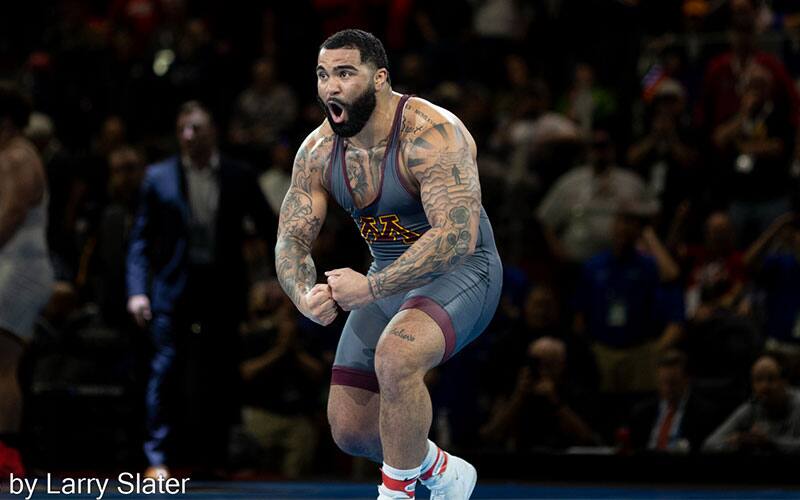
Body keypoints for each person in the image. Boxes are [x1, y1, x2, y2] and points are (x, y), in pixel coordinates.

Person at [274, 29, 502, 499]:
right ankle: (441, 470)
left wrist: (373, 290)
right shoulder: (317, 153)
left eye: (344, 73)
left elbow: (457, 237)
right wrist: (302, 295)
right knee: (350, 427)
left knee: (395, 357)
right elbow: (290, 240)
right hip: (388, 276)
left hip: (464, 271)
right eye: (322, 75)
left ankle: (396, 495)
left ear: (379, 79)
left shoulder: (432, 133)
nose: (330, 87)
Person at [126, 101, 275, 479]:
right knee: (166, 369)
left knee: (222, 371)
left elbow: (271, 227)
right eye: (182, 129)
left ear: (213, 132)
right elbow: (140, 241)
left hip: (222, 287)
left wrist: (275, 279)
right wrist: (137, 292)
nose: (188, 136)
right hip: (173, 287)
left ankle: (218, 457)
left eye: (196, 128)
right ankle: (158, 457)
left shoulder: (238, 175)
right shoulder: (158, 177)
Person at [0, 82, 55, 476]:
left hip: (20, 267)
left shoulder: (15, 156)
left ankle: (7, 454)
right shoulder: (16, 153)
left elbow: (12, 213)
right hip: (15, 264)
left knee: (2, 364)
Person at [703, 353, 800, 454]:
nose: (764, 386)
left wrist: (770, 442)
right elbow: (709, 444)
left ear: (784, 381)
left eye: (771, 379)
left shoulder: (798, 403)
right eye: (758, 379)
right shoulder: (752, 406)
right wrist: (738, 442)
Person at [628, 349, 718, 453]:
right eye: (663, 383)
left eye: (672, 383)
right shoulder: (642, 412)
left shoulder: (704, 414)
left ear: (686, 380)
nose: (667, 389)